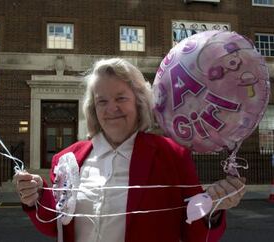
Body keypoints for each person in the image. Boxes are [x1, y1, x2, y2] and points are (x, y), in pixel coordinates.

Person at [14, 58, 246, 242]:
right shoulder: (67, 159)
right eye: (101, 101)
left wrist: (212, 209)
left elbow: (195, 235)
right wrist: (35, 196)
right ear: (93, 107)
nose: (111, 108)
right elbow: (55, 227)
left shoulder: (172, 156)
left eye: (120, 98)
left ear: (138, 102)